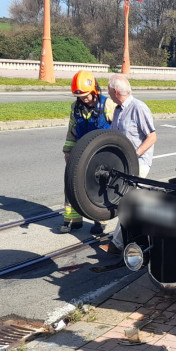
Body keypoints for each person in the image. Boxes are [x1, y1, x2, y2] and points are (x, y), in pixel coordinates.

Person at [106, 74, 157, 252]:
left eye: (108, 89)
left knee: (128, 200)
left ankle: (117, 244)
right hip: (123, 164)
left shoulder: (138, 108)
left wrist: (134, 155)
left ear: (114, 91)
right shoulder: (118, 110)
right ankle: (137, 235)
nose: (107, 93)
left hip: (138, 163)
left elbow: (152, 137)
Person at [60, 70, 115, 234]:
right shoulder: (75, 108)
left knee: (98, 187)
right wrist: (68, 151)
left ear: (95, 90)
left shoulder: (108, 105)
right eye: (80, 96)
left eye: (86, 95)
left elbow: (118, 130)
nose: (83, 99)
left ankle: (100, 221)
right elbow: (72, 131)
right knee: (71, 185)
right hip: (80, 153)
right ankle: (72, 220)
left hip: (101, 154)